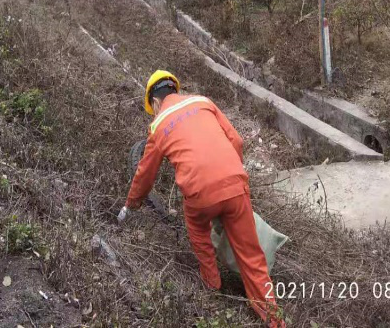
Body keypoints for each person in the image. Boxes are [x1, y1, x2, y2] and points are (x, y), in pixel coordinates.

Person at [119, 70, 285, 328]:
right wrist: (229, 176)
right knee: (252, 257)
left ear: (154, 102)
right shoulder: (203, 101)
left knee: (199, 232)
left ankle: (212, 289)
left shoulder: (159, 123)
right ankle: (274, 320)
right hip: (235, 183)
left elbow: (145, 174)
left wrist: (132, 204)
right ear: (175, 89)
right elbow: (237, 141)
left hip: (199, 196)